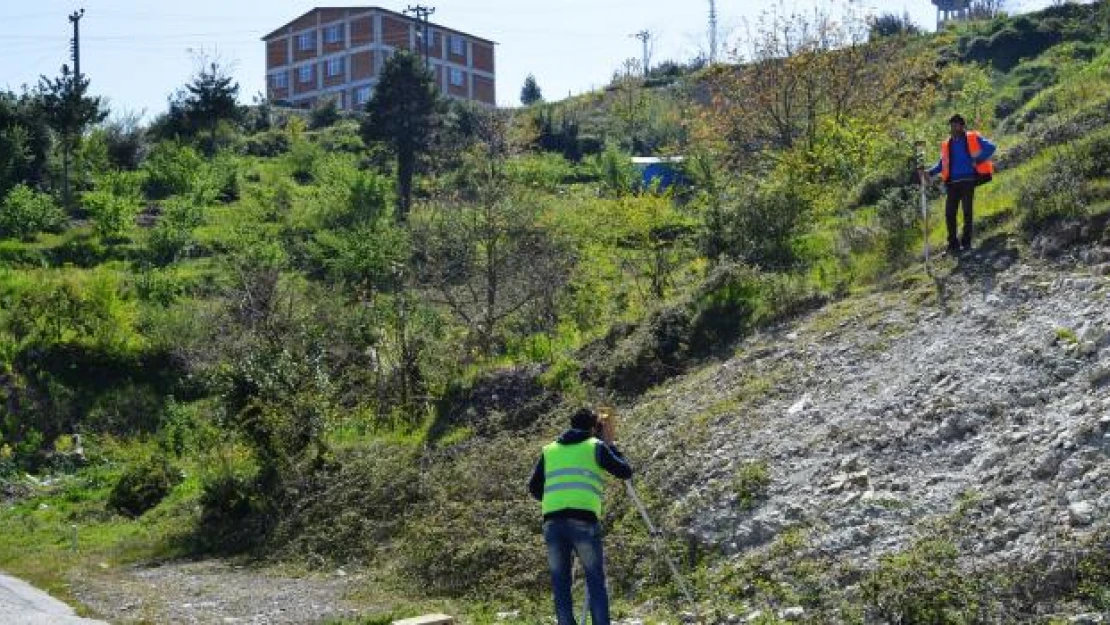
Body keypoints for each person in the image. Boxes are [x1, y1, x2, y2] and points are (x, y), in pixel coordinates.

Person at [529, 407, 633, 625]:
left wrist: (555, 498)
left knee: (560, 583)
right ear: (594, 427)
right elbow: (624, 471)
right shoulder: (596, 446)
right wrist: (610, 444)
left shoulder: (550, 450)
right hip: (583, 520)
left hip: (553, 521)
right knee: (595, 580)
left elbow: (534, 487)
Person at [924, 114, 997, 255]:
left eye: (956, 124)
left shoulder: (971, 138)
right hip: (952, 183)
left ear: (962, 126)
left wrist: (979, 160)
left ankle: (966, 243)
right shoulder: (947, 144)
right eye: (952, 124)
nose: (953, 127)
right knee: (949, 213)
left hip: (968, 181)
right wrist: (930, 172)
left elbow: (991, 147)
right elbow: (942, 163)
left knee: (967, 212)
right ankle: (953, 244)